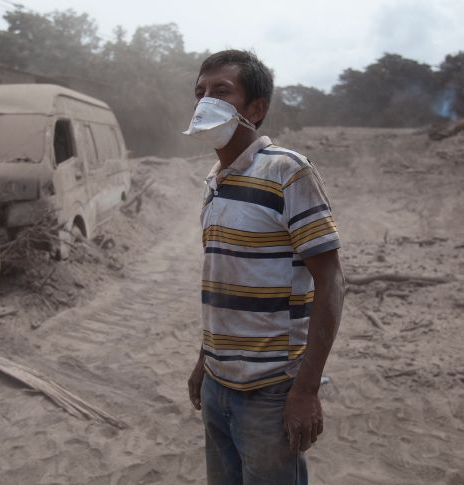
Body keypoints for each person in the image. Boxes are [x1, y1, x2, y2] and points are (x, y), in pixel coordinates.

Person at [183, 49, 346, 485]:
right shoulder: (215, 182)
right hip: (219, 386)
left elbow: (330, 281)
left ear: (255, 109)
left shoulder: (287, 171)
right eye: (199, 93)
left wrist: (306, 389)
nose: (204, 102)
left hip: (271, 390)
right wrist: (205, 362)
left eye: (221, 92)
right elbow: (223, 282)